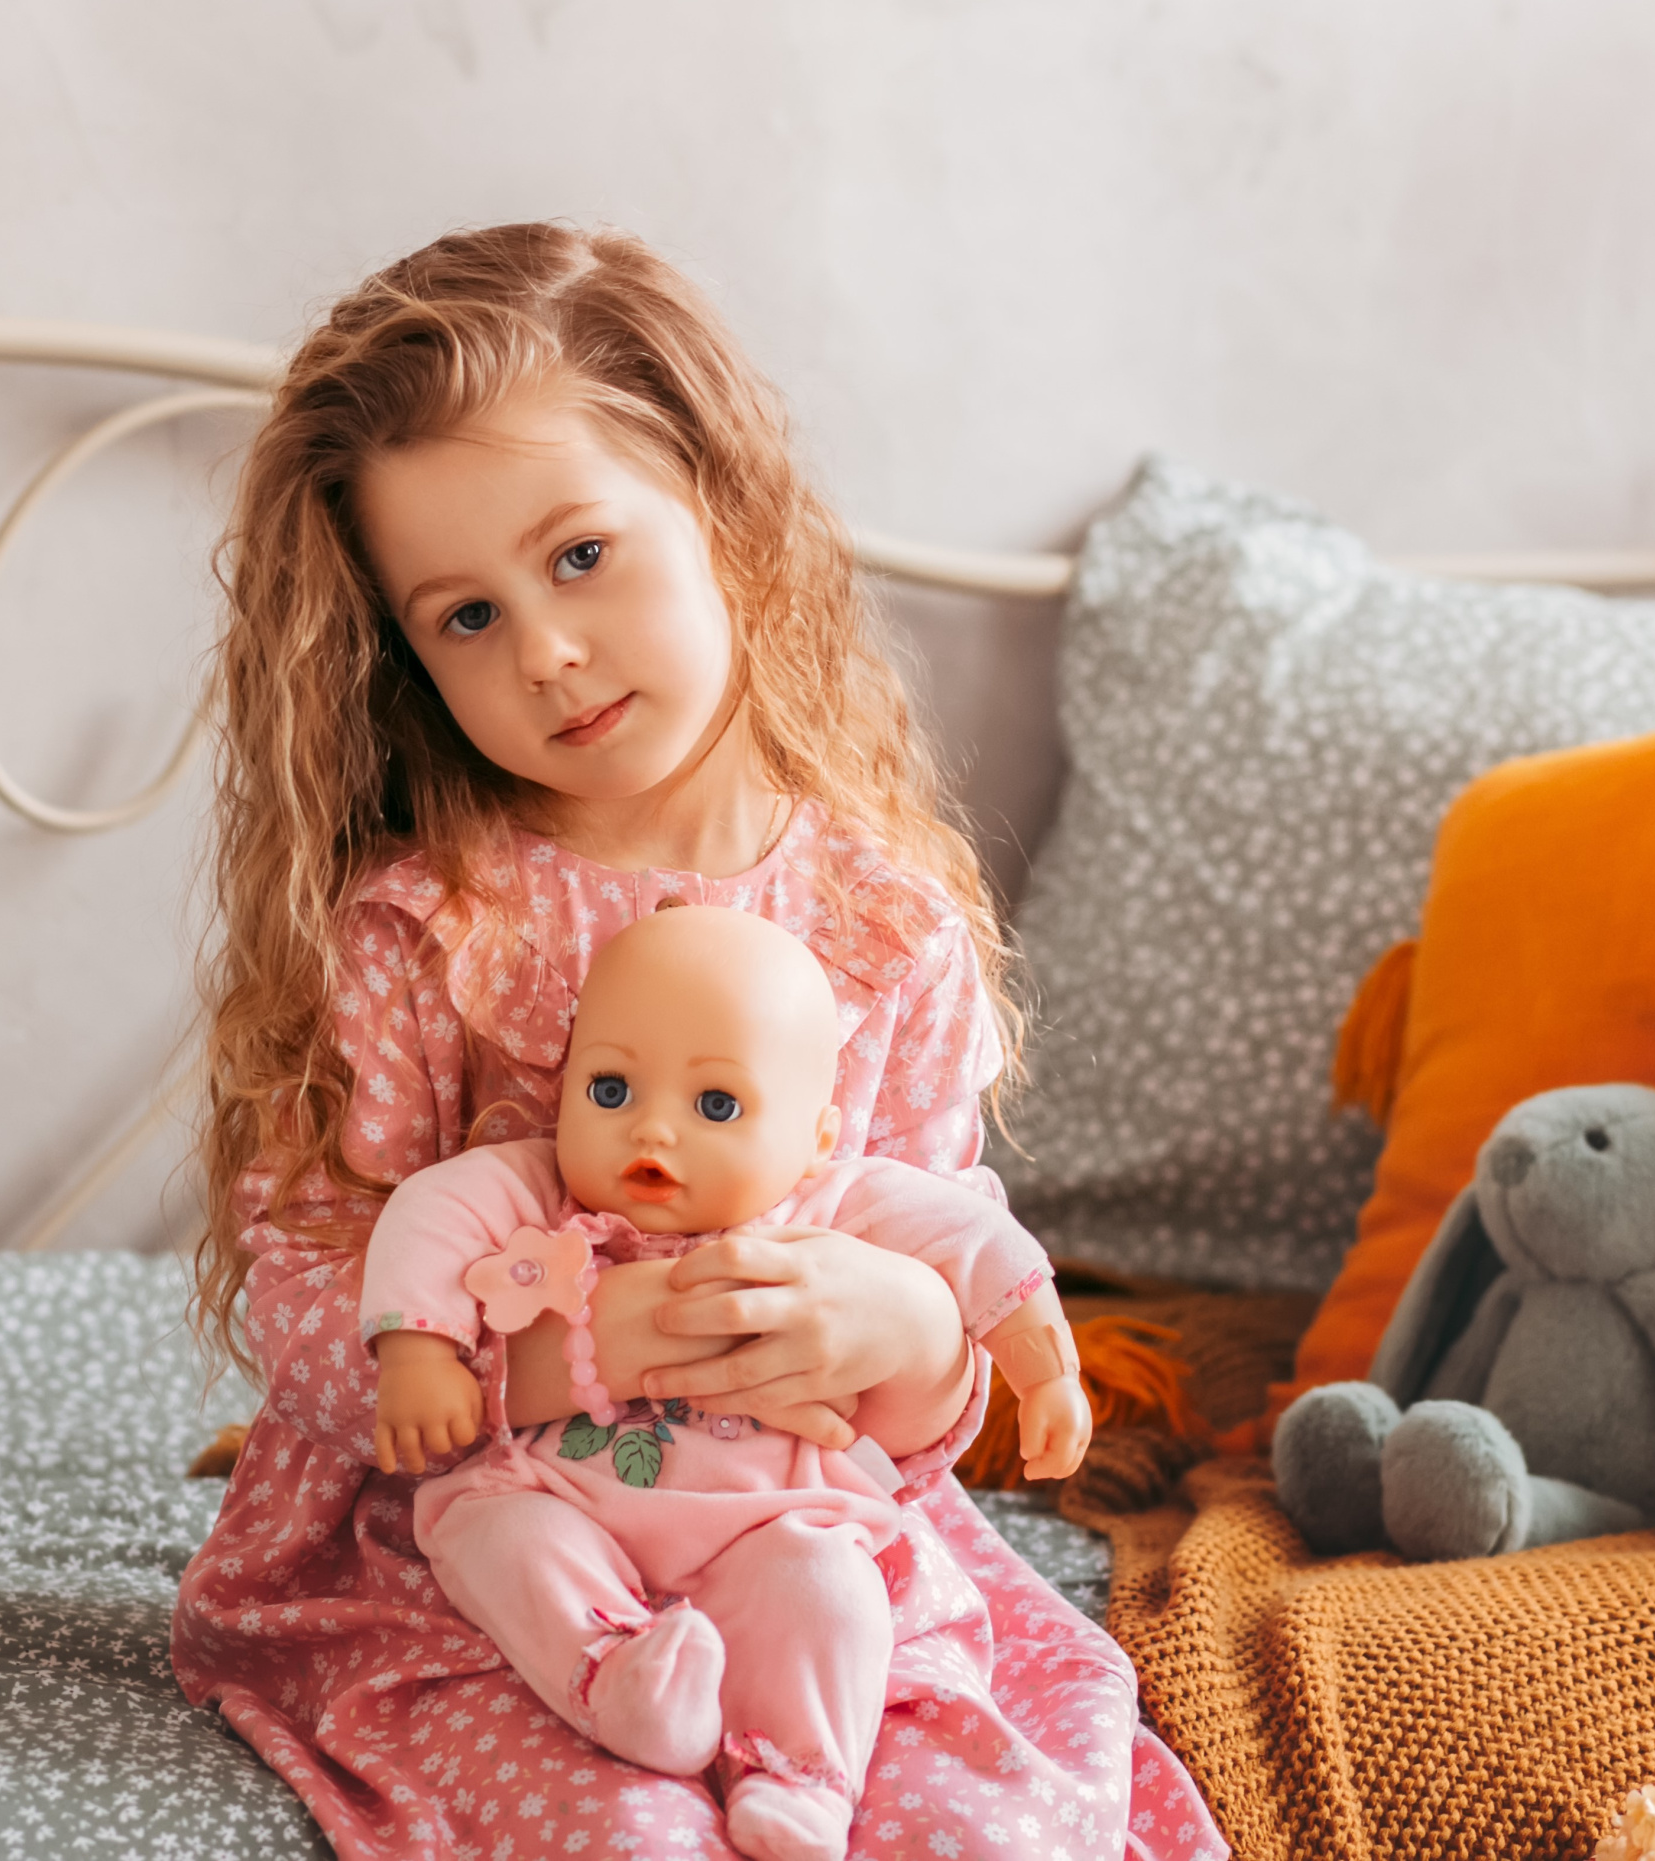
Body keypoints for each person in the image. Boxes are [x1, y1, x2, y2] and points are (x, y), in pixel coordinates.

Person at [171, 220, 1230, 1861]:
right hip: (481, 1539)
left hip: (793, 1515)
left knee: (985, 1829)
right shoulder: (422, 927)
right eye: (464, 616)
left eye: (580, 555)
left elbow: (921, 1275)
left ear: (720, 503)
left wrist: (911, 1333)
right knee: (636, 1833)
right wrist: (529, 1356)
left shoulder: (887, 924)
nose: (546, 649)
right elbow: (316, 1282)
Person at [363, 906, 1094, 1861]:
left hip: (771, 1520)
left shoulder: (837, 1199)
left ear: (818, 1133)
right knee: (487, 1527)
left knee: (834, 1589)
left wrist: (1049, 1369)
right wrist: (418, 1354)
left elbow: (976, 1245)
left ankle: (800, 1778)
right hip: (566, 1494)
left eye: (716, 1105)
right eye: (612, 1087)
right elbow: (429, 1215)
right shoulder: (539, 1190)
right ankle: (617, 1676)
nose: (650, 1128)